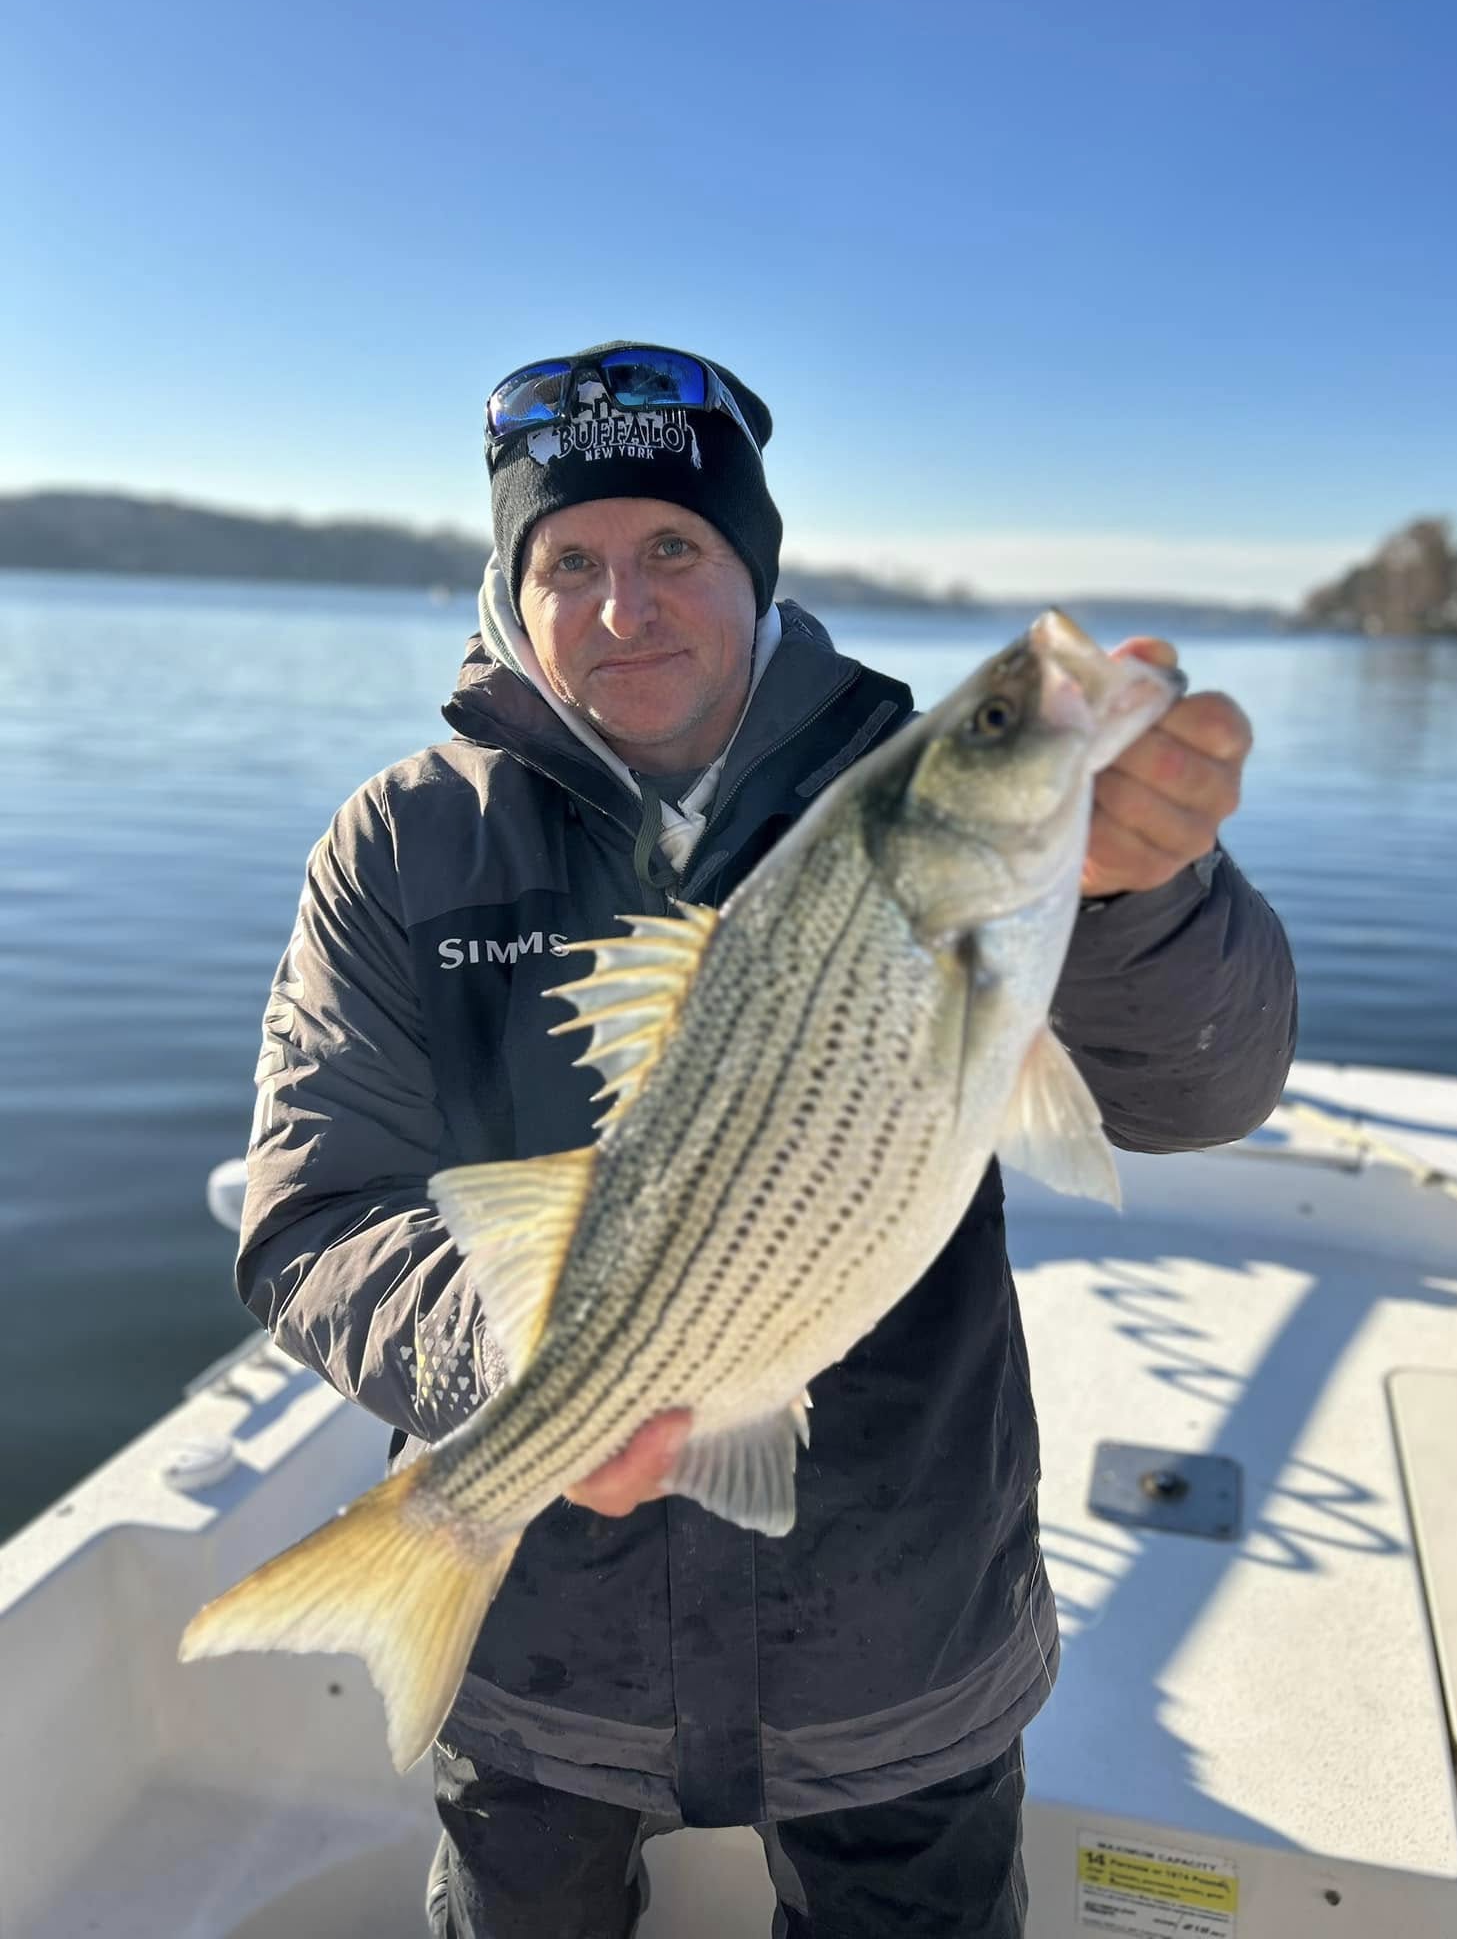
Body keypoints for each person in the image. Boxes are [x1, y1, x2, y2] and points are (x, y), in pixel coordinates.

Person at [236, 341, 1297, 1938]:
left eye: (675, 547)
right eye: (569, 560)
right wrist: (511, 1377)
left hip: (899, 1653)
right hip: (538, 1676)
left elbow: (1196, 1095)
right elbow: (317, 1211)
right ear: (508, 591)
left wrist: (1141, 895)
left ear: (757, 567)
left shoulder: (905, 798)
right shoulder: (400, 844)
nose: (621, 605)